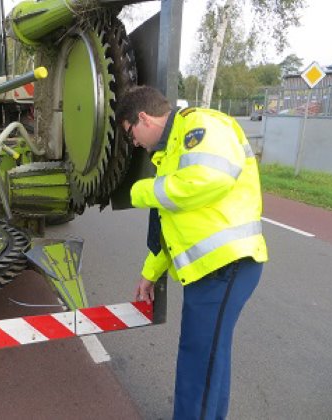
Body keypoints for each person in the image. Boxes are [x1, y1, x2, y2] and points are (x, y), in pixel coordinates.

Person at [115, 86, 268, 420]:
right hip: (213, 269)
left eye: (131, 134)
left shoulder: (200, 125)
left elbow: (209, 178)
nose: (134, 144)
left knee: (198, 358)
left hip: (227, 264)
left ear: (143, 118)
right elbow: (170, 223)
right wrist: (150, 272)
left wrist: (141, 191)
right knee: (211, 355)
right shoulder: (169, 151)